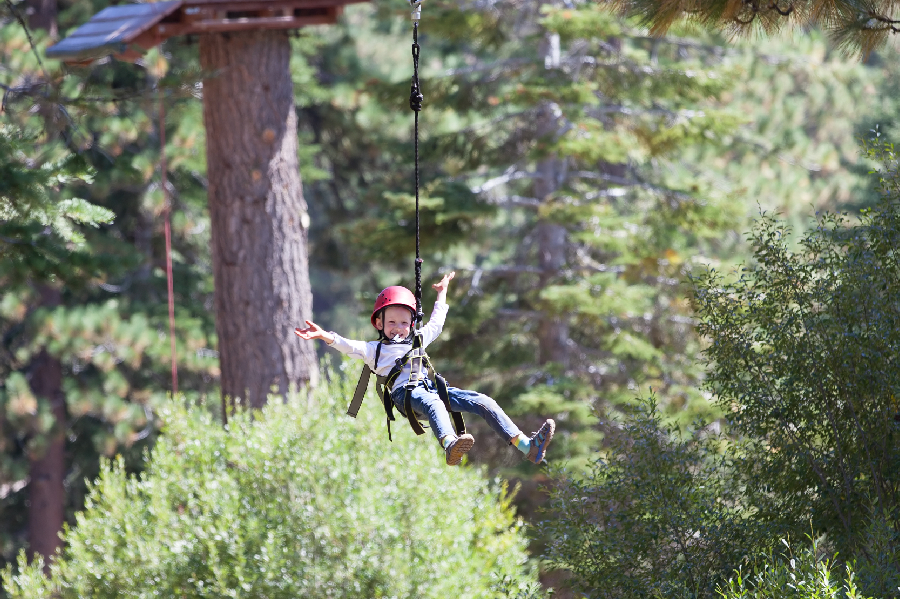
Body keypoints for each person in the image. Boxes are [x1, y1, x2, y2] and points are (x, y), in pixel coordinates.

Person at [294, 272, 554, 466]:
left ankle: (527, 447)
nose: (398, 328)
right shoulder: (375, 350)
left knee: (483, 401)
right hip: (406, 395)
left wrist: (442, 293)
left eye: (403, 322)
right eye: (392, 322)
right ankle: (450, 444)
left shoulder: (417, 339)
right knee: (434, 403)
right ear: (379, 324)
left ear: (411, 324)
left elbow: (437, 323)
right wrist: (324, 335)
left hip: (429, 389)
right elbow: (348, 345)